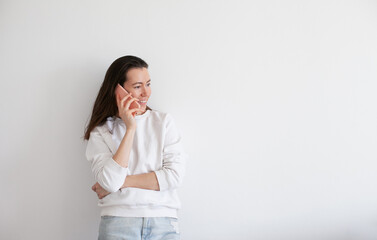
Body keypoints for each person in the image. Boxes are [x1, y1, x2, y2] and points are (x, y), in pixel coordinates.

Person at [84, 55, 186, 240]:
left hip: (163, 221)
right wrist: (130, 127)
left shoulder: (163, 122)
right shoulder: (102, 131)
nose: (146, 93)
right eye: (138, 87)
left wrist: (122, 182)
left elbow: (174, 177)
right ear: (118, 90)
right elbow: (109, 182)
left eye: (148, 84)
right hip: (118, 222)